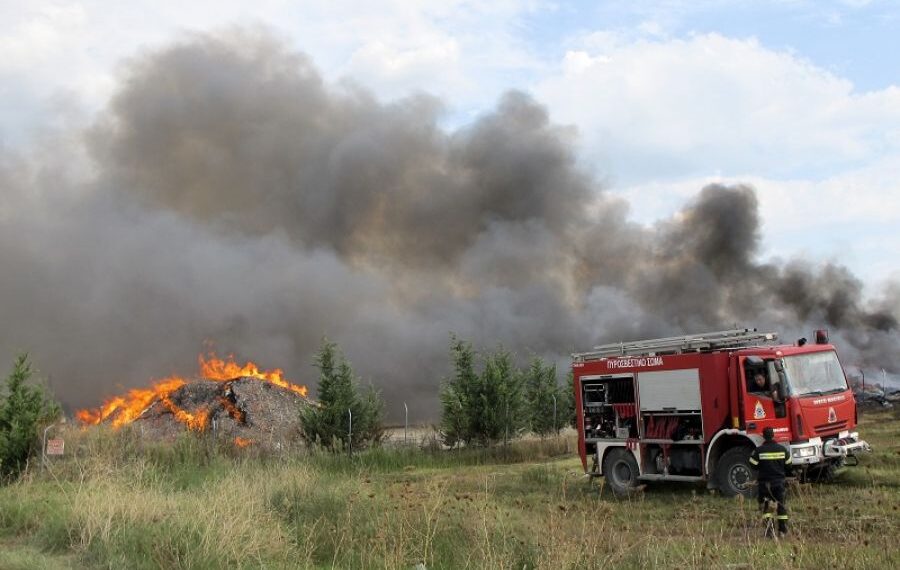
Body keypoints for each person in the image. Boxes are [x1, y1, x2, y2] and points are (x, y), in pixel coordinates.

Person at [749, 426, 792, 538]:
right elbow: (789, 465)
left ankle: (769, 532)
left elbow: (752, 464)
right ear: (773, 435)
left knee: (767, 507)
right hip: (779, 482)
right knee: (781, 506)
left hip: (765, 484)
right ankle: (782, 531)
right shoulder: (782, 449)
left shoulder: (759, 450)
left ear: (763, 436)